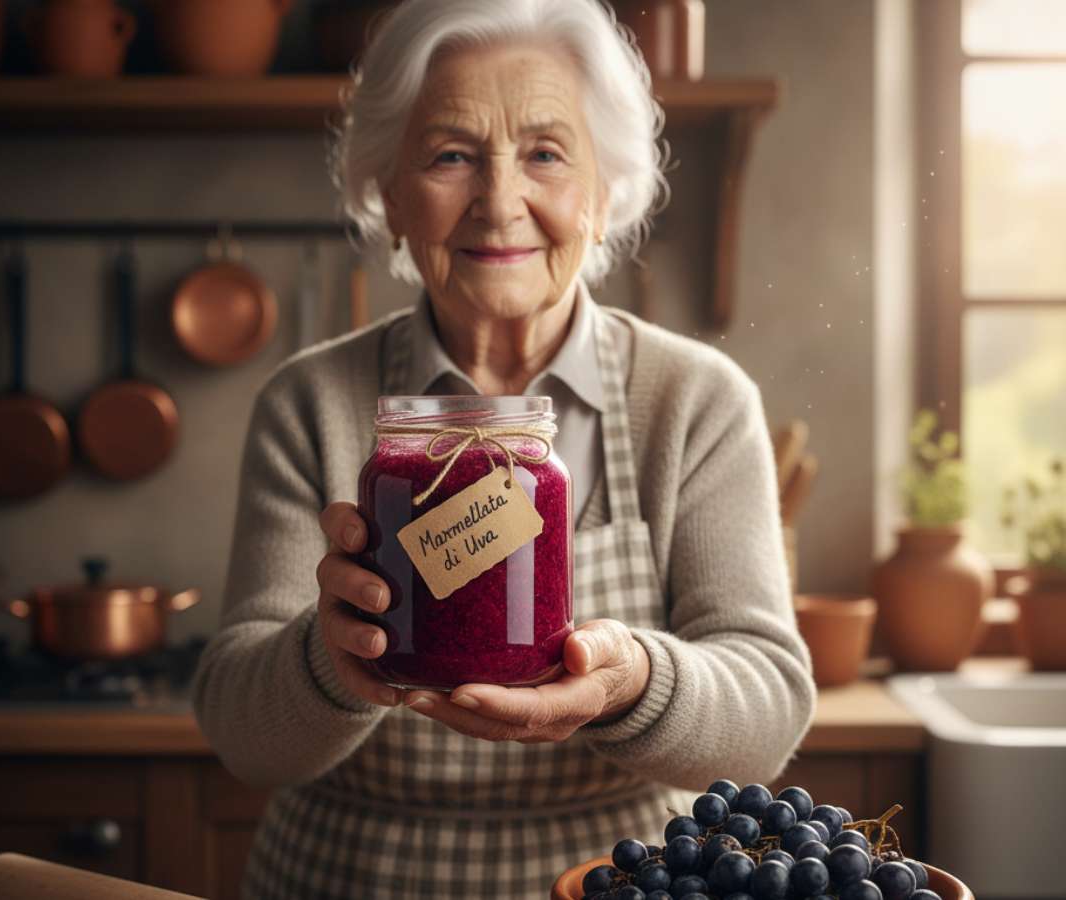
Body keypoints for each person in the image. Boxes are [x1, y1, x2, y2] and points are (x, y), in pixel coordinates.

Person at [191, 1, 816, 896]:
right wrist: (329, 658)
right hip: (345, 877)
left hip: (617, 878)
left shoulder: (695, 401)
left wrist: (632, 681)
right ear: (390, 195)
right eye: (450, 155)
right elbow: (241, 737)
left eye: (546, 154)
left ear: (604, 193)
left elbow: (768, 714)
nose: (499, 201)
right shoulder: (309, 403)